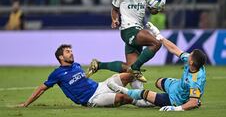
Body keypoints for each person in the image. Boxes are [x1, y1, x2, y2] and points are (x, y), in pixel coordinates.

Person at [108, 22, 207, 111]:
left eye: (190, 55)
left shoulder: (195, 81)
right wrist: (159, 36)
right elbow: (175, 49)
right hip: (176, 86)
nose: (188, 55)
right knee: (158, 82)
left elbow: (193, 101)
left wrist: (176, 108)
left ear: (192, 63)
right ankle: (161, 98)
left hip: (176, 100)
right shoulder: (192, 62)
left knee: (145, 94)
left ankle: (121, 90)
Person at [17, 44, 152, 107]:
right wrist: (26, 104)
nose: (71, 53)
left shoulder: (76, 66)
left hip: (101, 86)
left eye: (71, 51)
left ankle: (143, 95)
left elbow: (84, 80)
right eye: (67, 52)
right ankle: (142, 103)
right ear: (60, 57)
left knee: (130, 74)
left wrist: (93, 71)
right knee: (123, 97)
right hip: (93, 98)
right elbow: (41, 88)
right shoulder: (57, 74)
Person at [86, 0, 162, 83]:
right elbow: (114, 9)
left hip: (138, 30)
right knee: (156, 43)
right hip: (128, 30)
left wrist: (157, 7)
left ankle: (98, 65)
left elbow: (152, 10)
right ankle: (135, 68)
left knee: (129, 70)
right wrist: (114, 19)